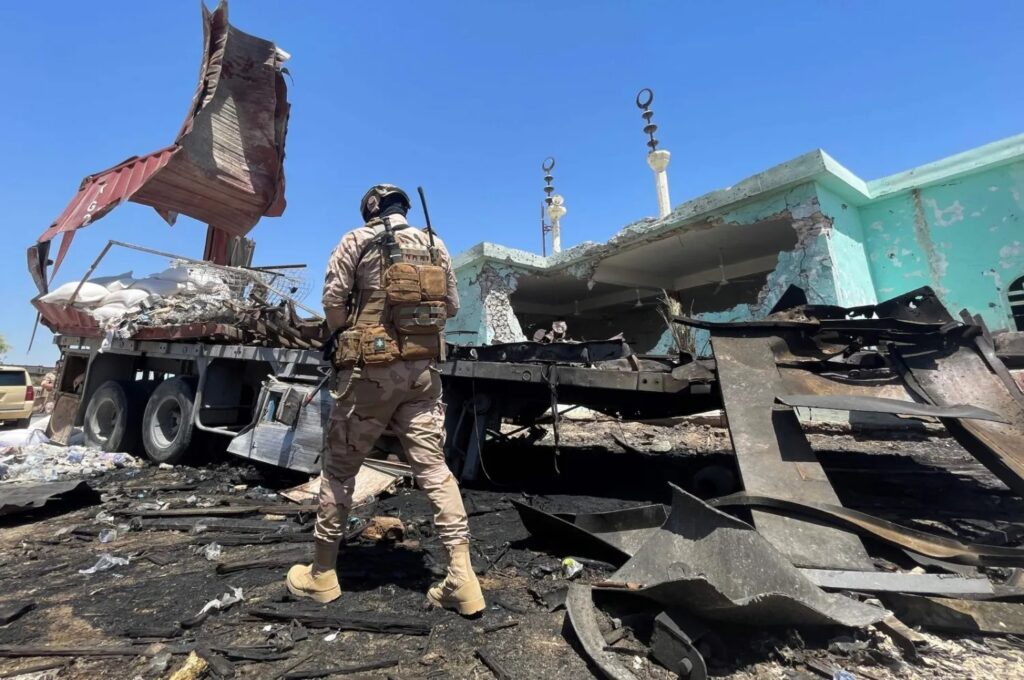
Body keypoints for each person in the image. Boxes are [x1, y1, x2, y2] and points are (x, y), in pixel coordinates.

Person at [286, 184, 485, 615]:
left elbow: (332, 302)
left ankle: (322, 574)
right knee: (435, 470)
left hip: (370, 376)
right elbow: (451, 306)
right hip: (422, 373)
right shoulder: (435, 244)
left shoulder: (357, 240)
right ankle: (462, 579)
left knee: (339, 472)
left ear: (371, 209)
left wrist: (345, 333)